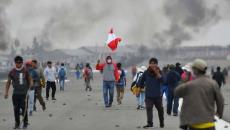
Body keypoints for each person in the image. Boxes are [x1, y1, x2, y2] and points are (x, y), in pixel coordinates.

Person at [175, 59, 224, 130]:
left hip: (194, 124)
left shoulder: (190, 85)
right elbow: (220, 101)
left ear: (195, 70)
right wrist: (219, 113)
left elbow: (177, 92)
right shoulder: (213, 84)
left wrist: (184, 80)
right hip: (209, 123)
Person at [4, 56, 32, 129]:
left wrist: (31, 84)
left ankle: (25, 123)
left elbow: (30, 79)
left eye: (20, 63)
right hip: (16, 94)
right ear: (15, 63)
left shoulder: (25, 71)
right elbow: (8, 83)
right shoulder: (12, 72)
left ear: (22, 63)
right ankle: (17, 123)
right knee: (16, 109)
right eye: (17, 62)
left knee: (24, 109)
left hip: (24, 94)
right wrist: (6, 92)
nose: (18, 64)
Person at [137, 57, 164, 128]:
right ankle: (150, 123)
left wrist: (157, 72)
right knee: (148, 108)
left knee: (160, 109)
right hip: (148, 95)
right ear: (149, 64)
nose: (152, 65)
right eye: (151, 63)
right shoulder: (146, 72)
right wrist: (138, 90)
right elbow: (141, 81)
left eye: (154, 63)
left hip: (157, 95)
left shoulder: (159, 72)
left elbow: (162, 80)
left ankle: (161, 122)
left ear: (157, 64)